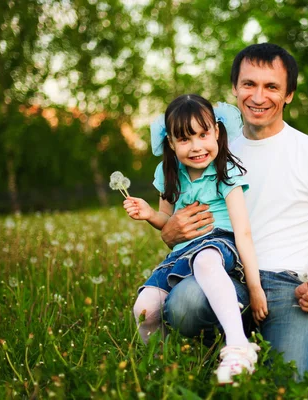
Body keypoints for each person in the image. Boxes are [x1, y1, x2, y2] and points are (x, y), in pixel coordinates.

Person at [160, 43, 308, 389]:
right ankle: (227, 343)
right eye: (249, 84)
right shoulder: (210, 146)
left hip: (288, 286)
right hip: (226, 274)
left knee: (297, 386)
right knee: (185, 302)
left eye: (271, 86)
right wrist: (170, 230)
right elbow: (177, 213)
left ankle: (266, 340)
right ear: (235, 88)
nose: (258, 96)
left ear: (289, 94)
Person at [124, 94, 267, 384]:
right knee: (145, 307)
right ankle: (164, 369)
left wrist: (255, 286)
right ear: (172, 144)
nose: (197, 147)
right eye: (186, 140)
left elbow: (243, 230)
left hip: (220, 245)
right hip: (181, 255)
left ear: (216, 131)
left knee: (205, 258)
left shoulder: (225, 170)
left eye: (203, 135)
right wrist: (150, 214)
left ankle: (238, 344)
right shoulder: (168, 173)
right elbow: (168, 222)